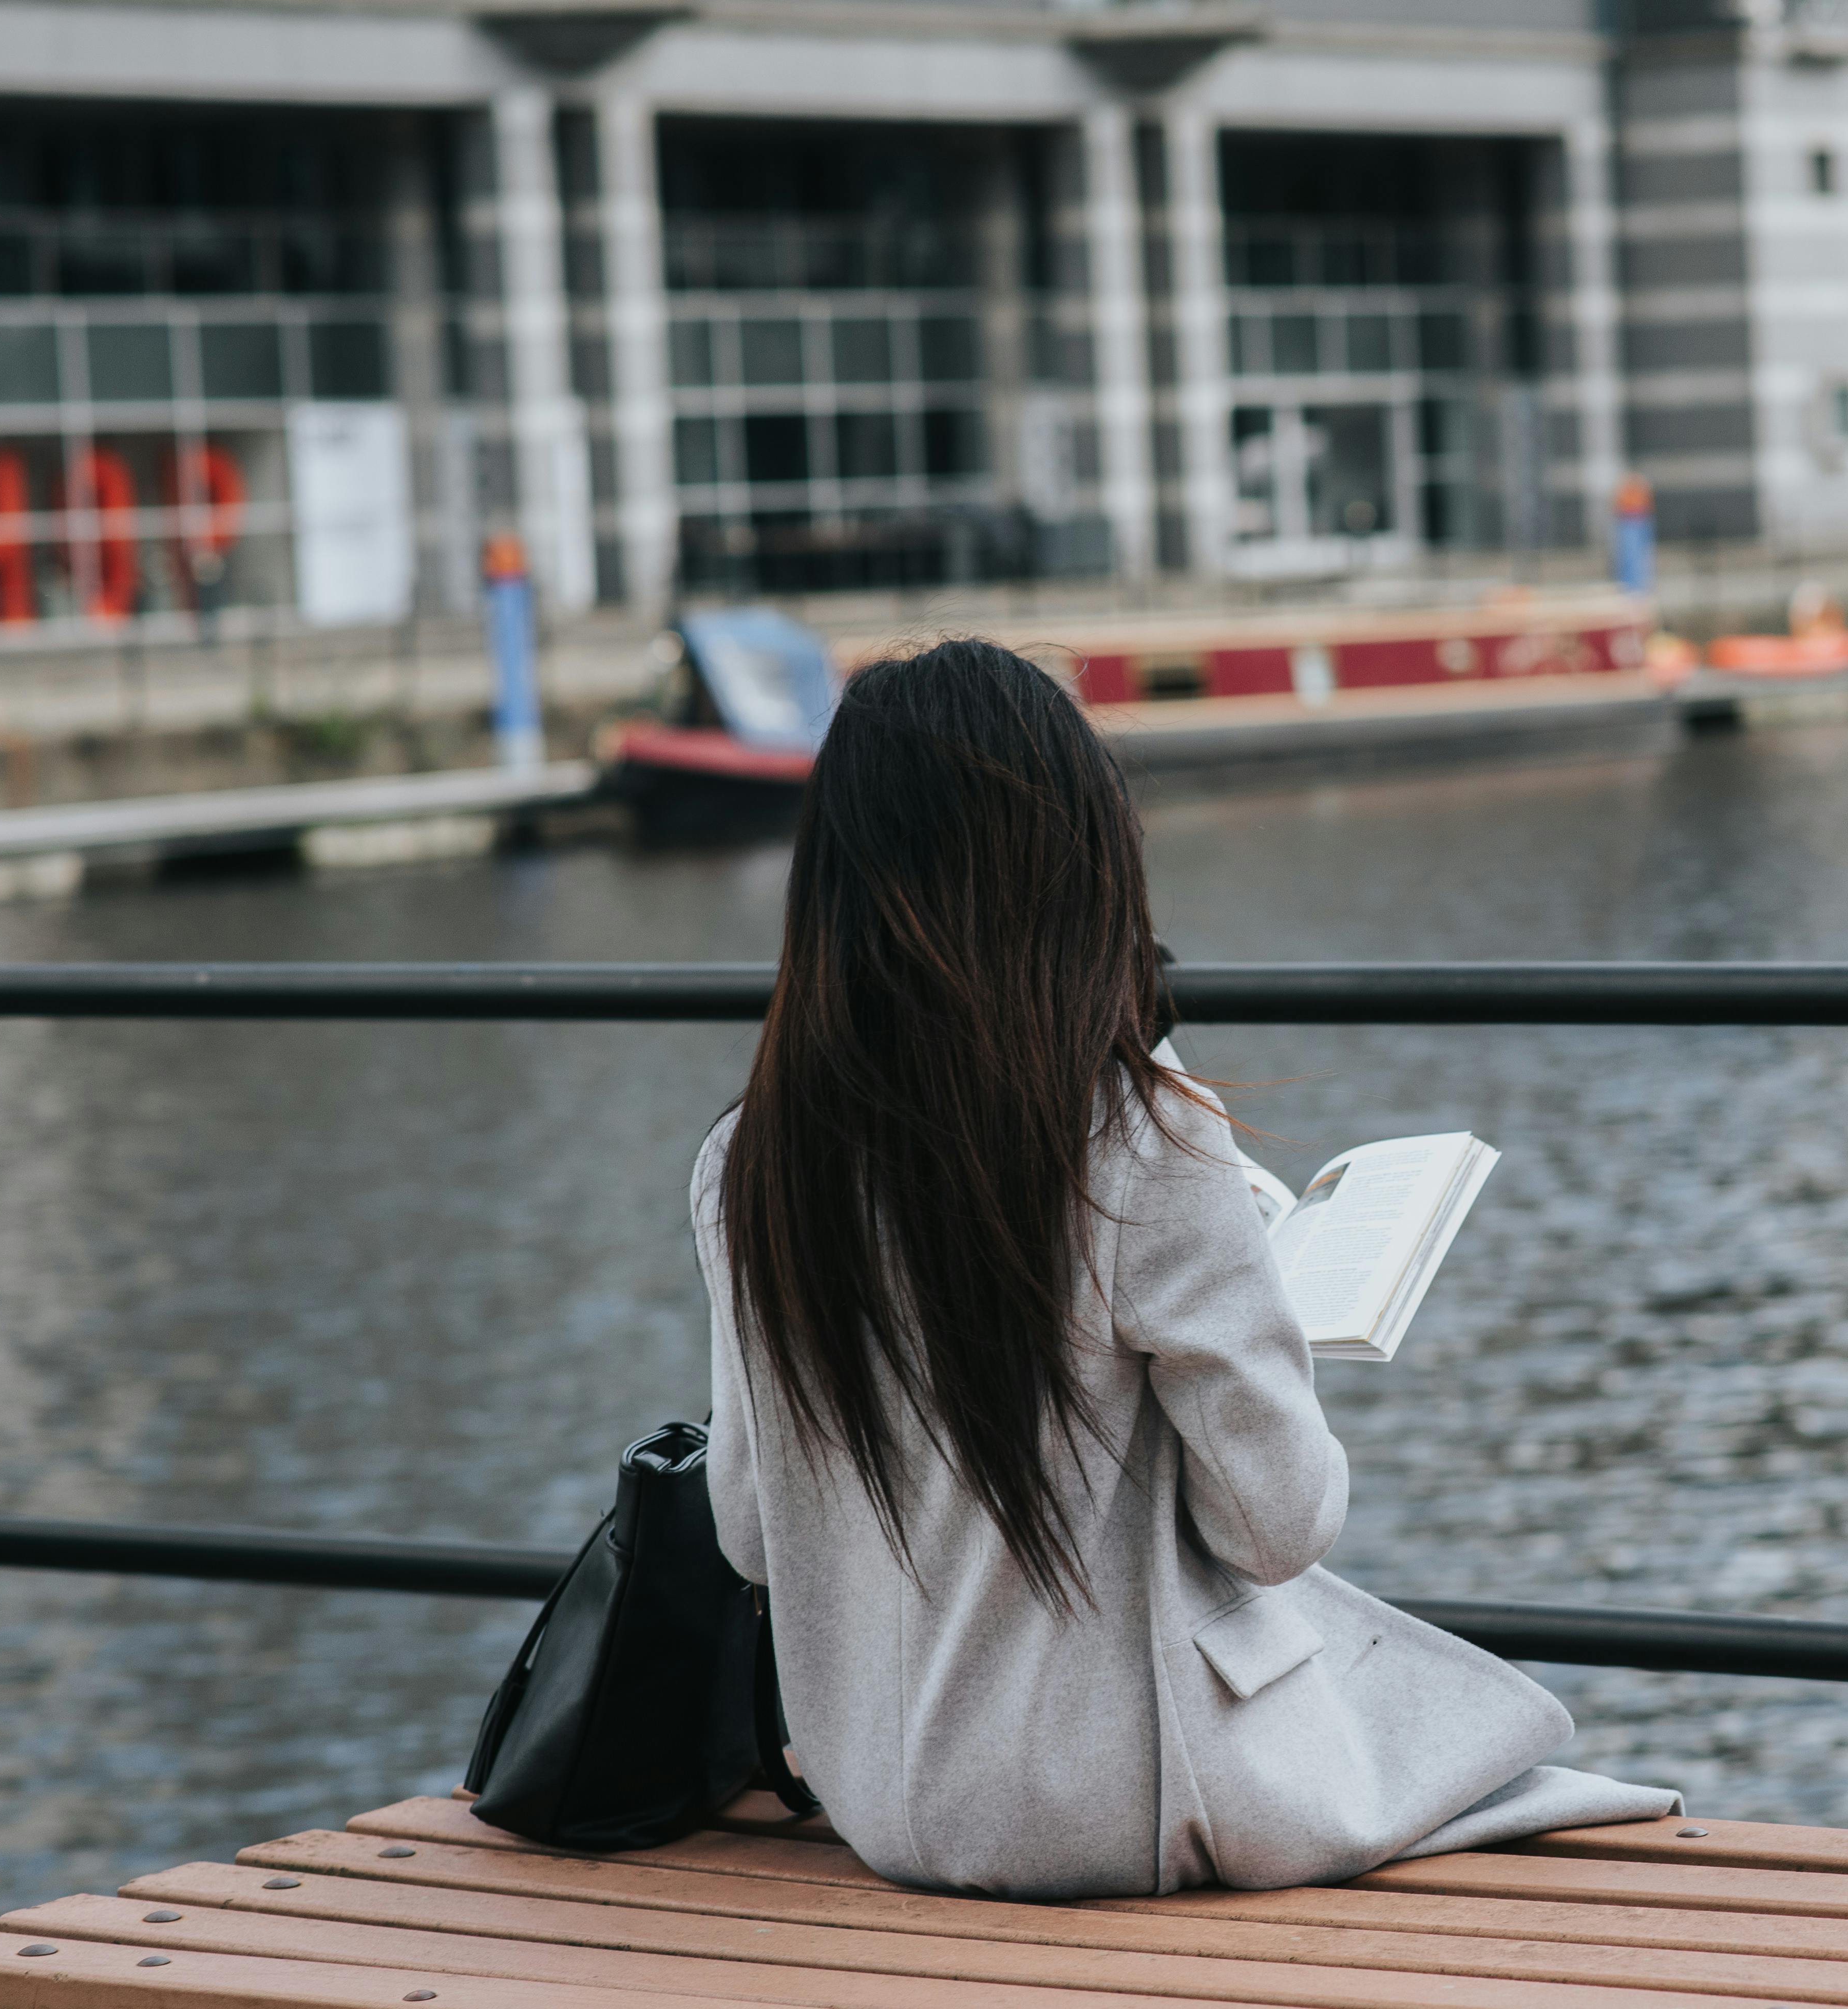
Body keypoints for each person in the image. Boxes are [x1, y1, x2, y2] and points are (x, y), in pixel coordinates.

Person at [695, 639, 1676, 1898]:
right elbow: (1278, 1529)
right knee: (1482, 1744)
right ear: (1076, 865)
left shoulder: (746, 1165)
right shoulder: (1135, 1139)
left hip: (885, 1799)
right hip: (1101, 1805)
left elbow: (748, 1531)